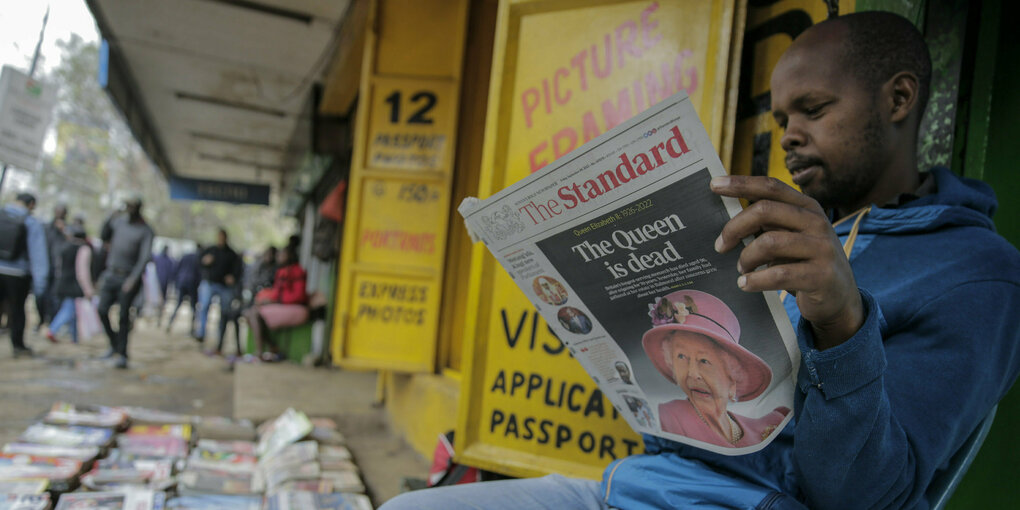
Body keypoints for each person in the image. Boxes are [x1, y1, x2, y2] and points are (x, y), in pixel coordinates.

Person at [380, 12, 1020, 510]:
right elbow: (677, 430)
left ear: (899, 99)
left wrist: (843, 325)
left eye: (815, 109)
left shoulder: (973, 274)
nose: (790, 134)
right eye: (781, 117)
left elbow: (861, 497)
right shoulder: (790, 226)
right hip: (641, 487)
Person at [642, 290, 789, 448]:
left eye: (704, 360)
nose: (692, 374)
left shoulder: (769, 425)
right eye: (681, 357)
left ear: (732, 381)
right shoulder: (668, 415)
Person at [97, 196, 154, 369]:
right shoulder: (119, 222)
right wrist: (111, 215)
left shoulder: (146, 230)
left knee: (123, 316)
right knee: (101, 310)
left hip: (128, 277)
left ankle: (122, 354)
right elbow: (103, 235)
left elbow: (144, 258)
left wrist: (133, 279)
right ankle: (115, 344)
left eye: (132, 206)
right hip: (111, 273)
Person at [0, 193, 48, 358]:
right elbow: (38, 254)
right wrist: (41, 283)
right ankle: (18, 346)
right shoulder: (31, 222)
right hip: (18, 274)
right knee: (17, 310)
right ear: (31, 204)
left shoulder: (1, 214)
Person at [243, 246, 308, 361]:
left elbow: (299, 296)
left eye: (282, 254)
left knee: (253, 314)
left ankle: (259, 352)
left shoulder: (297, 271)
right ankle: (272, 346)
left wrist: (277, 300)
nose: (278, 257)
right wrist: (266, 300)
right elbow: (276, 294)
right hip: (283, 306)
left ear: (290, 256)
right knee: (249, 313)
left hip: (295, 308)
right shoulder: (281, 271)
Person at [194, 228, 241, 354]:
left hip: (224, 287)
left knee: (224, 314)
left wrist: (233, 277)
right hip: (210, 283)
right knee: (203, 307)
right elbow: (200, 262)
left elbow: (238, 270)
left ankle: (220, 340)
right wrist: (205, 261)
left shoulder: (232, 254)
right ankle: (201, 333)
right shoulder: (211, 250)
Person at [46, 225, 95, 344]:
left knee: (73, 311)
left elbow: (58, 267)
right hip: (74, 285)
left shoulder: (65, 246)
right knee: (69, 309)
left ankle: (74, 338)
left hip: (62, 282)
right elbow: (82, 271)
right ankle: (52, 330)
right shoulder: (84, 249)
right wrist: (88, 289)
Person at [36, 202, 68, 329]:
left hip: (59, 269)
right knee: (40, 295)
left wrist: (64, 230)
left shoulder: (68, 229)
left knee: (55, 297)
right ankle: (41, 319)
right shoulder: (45, 227)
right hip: (44, 267)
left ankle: (52, 321)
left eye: (62, 212)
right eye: (57, 211)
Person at [166, 244, 201, 334]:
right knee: (193, 307)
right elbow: (199, 273)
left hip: (182, 281)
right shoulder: (198, 258)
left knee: (178, 304)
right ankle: (192, 328)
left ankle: (169, 324)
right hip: (192, 283)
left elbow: (176, 269)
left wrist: (175, 281)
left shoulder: (186, 256)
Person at [151, 246, 175, 327]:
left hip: (158, 282)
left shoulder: (159, 259)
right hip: (161, 283)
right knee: (160, 300)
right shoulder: (167, 260)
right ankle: (158, 316)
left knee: (159, 300)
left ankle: (158, 317)